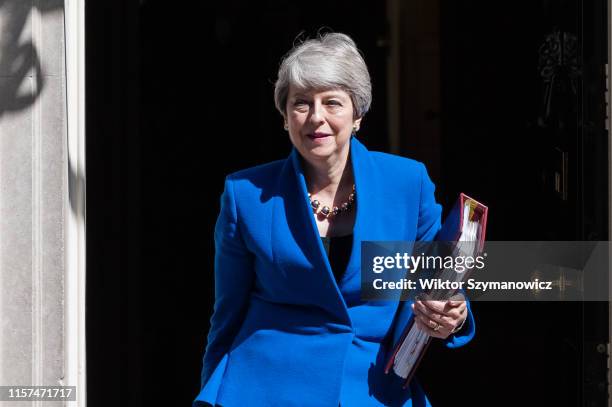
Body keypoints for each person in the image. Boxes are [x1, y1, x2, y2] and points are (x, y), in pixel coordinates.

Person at [194, 32, 475, 407]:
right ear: (284, 117)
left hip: (370, 388)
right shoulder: (246, 194)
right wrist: (209, 393)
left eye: (332, 102)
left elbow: (435, 282)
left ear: (357, 114)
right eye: (301, 103)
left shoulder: (408, 184)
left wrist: (453, 312)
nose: (316, 117)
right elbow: (226, 314)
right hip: (266, 388)